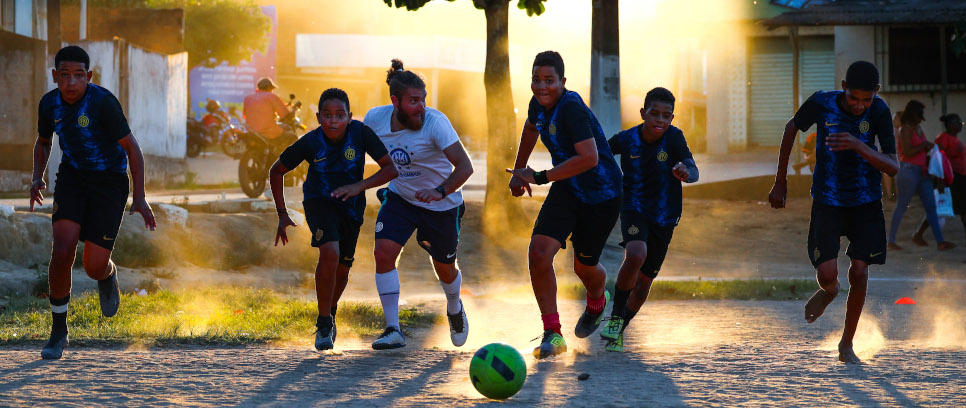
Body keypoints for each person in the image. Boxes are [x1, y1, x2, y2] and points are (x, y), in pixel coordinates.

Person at [30, 45, 157, 360]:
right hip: (72, 179)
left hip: (109, 183)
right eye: (64, 76)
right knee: (62, 252)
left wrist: (139, 197)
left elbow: (132, 149)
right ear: (55, 76)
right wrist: (37, 177)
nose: (71, 83)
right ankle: (59, 332)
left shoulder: (103, 103)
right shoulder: (49, 104)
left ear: (89, 76)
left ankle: (107, 274)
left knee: (93, 264)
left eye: (77, 76)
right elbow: (44, 142)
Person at [768, 61, 899, 364]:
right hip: (828, 200)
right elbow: (792, 127)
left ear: (876, 93)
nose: (859, 105)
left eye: (865, 99)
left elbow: (893, 166)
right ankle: (829, 291)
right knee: (828, 274)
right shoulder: (821, 103)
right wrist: (780, 181)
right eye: (854, 98)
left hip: (866, 202)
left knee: (860, 271)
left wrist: (857, 144)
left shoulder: (878, 111)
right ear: (843, 88)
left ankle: (847, 344)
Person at [506, 51, 623, 359]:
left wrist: (541, 176)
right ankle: (552, 334)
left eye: (549, 80)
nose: (541, 87)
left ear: (562, 81)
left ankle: (598, 300)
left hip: (602, 195)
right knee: (538, 252)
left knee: (583, 267)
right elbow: (532, 128)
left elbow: (590, 158)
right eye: (536, 80)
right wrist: (520, 171)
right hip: (568, 189)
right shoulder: (537, 104)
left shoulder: (571, 108)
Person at [270, 88, 397, 350]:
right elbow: (276, 171)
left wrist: (358, 187)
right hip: (319, 202)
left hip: (352, 207)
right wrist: (282, 214)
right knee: (330, 253)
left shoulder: (361, 133)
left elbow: (390, 169)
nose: (333, 121)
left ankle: (331, 309)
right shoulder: (311, 141)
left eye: (340, 115)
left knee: (343, 268)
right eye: (327, 115)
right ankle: (324, 322)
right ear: (318, 117)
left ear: (349, 117)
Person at [363, 59, 474, 350]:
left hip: (442, 205)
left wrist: (440, 191)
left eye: (423, 100)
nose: (420, 107)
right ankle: (392, 329)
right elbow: (355, 148)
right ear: (395, 101)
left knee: (445, 267)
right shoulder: (374, 119)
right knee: (383, 252)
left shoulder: (436, 123)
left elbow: (464, 167)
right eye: (413, 101)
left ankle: (454, 306)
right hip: (401, 198)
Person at [598, 87, 699, 352]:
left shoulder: (675, 138)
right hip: (633, 206)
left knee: (644, 283)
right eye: (655, 114)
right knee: (635, 254)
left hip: (666, 217)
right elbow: (599, 156)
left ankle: (620, 327)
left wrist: (685, 172)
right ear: (643, 113)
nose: (660, 121)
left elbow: (694, 170)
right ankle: (614, 316)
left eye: (667, 116)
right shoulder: (627, 139)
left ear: (672, 119)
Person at [887, 100, 955, 251]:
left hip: (920, 172)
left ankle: (940, 242)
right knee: (902, 206)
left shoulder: (916, 128)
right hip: (909, 171)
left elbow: (918, 148)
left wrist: (930, 147)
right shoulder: (904, 129)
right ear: (914, 115)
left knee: (931, 207)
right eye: (919, 115)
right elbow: (909, 152)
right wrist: (925, 146)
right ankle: (891, 241)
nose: (921, 118)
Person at [913, 113, 965, 245]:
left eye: (961, 122)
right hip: (951, 179)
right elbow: (938, 160)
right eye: (957, 122)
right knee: (939, 209)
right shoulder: (943, 138)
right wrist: (940, 181)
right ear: (950, 124)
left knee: (961, 210)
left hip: (960, 179)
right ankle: (918, 234)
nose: (960, 125)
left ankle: (919, 234)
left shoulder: (954, 138)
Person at [242, 77, 298, 144]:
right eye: (272, 89)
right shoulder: (272, 96)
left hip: (251, 132)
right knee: (293, 137)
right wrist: (294, 109)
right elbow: (287, 116)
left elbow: (245, 115)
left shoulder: (248, 98)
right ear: (269, 87)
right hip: (268, 132)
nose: (272, 91)